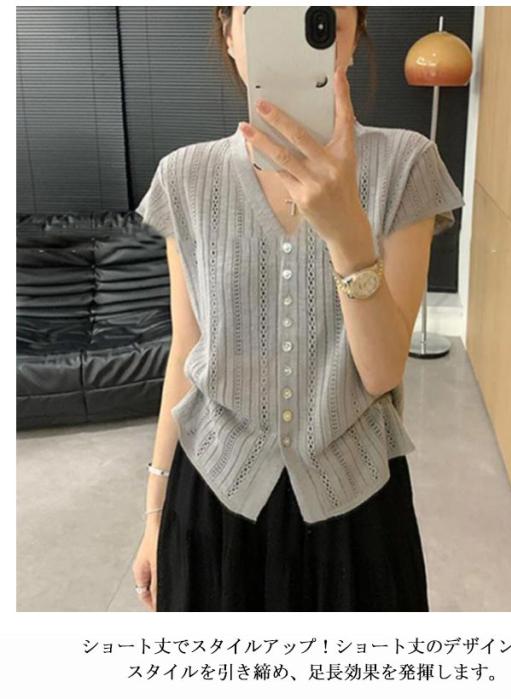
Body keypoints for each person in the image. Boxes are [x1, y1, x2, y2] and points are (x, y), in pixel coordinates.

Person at [132, 6, 465, 612]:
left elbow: (383, 372)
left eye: (319, 17)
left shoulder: (405, 164)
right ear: (229, 34)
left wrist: (347, 233)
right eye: (262, 14)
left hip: (356, 508)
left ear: (353, 39)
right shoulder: (184, 177)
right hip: (212, 497)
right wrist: (154, 513)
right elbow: (187, 348)